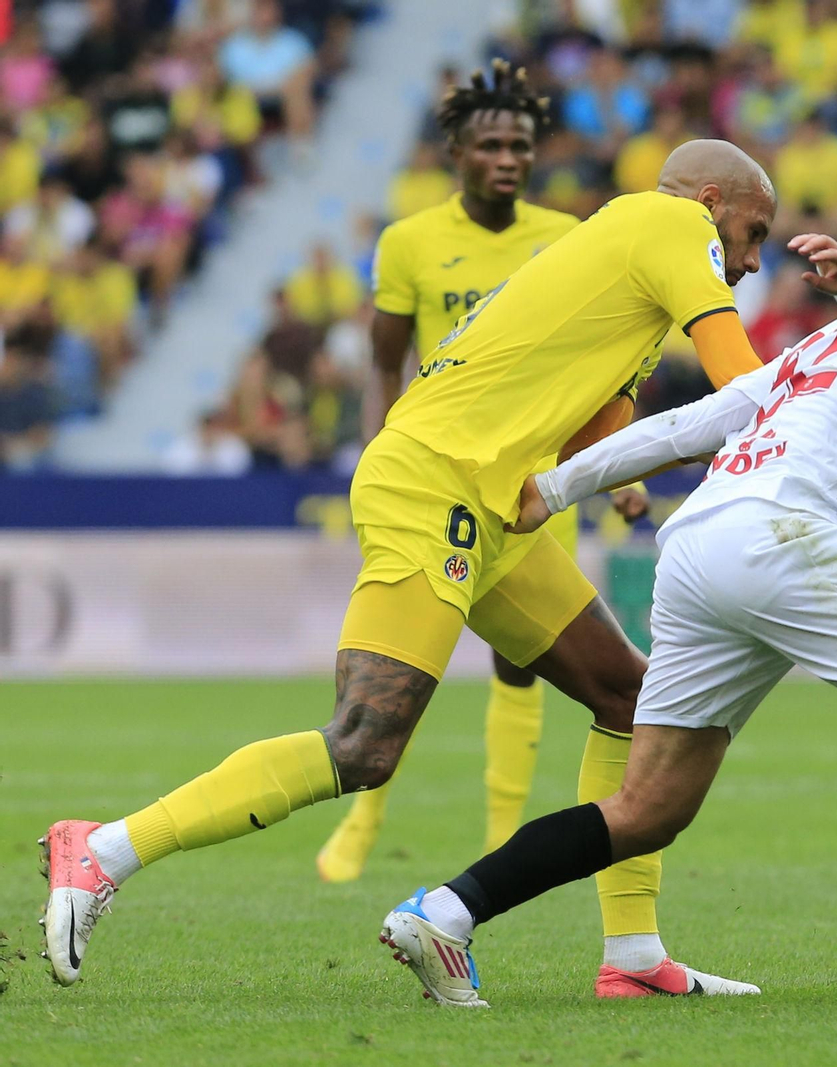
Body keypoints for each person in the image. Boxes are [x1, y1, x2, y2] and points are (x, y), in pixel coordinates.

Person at [41, 137, 779, 1001]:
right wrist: (815, 467)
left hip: (496, 505)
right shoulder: (668, 221)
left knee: (629, 696)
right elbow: (747, 387)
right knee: (365, 742)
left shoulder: (629, 284)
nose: (753, 259)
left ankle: (634, 955)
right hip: (436, 483)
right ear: (713, 198)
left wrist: (651, 468)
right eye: (753, 230)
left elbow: (603, 438)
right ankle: (104, 849)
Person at [378, 183, 837, 1007]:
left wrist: (556, 482)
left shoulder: (818, 349)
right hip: (779, 536)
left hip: (699, 547)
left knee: (645, 809)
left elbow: (700, 420)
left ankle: (443, 912)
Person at [316, 60, 640, 889]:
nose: (508, 157)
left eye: (522, 144)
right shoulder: (411, 242)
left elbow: (593, 371)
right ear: (454, 152)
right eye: (490, 143)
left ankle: (500, 838)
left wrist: (610, 466)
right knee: (399, 663)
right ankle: (364, 817)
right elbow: (383, 363)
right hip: (434, 473)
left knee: (523, 662)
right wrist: (381, 455)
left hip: (533, 480)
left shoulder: (567, 236)